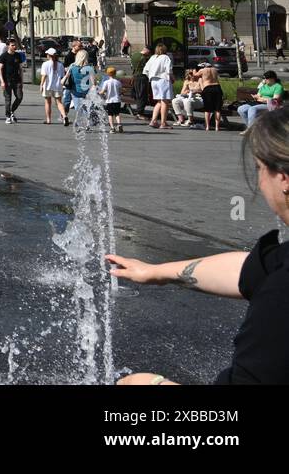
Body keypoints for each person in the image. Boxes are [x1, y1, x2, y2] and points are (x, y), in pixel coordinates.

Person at [109, 107, 289, 384]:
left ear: (283, 178)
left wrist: (152, 384)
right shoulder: (280, 268)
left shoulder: (280, 297)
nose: (260, 182)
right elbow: (249, 270)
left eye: (259, 169)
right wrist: (157, 272)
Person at [143, 43, 175, 129]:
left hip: (153, 80)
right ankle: (163, 123)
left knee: (159, 101)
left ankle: (153, 120)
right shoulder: (165, 57)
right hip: (163, 79)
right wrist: (173, 78)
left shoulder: (153, 57)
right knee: (165, 101)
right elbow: (168, 70)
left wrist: (151, 76)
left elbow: (145, 70)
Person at [65, 49, 95, 129]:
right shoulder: (89, 68)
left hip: (75, 91)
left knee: (78, 108)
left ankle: (79, 122)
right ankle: (87, 123)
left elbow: (67, 77)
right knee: (86, 107)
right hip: (86, 91)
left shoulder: (72, 66)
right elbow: (93, 83)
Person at [0, 39, 25, 124]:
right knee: (8, 99)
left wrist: (22, 81)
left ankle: (12, 111)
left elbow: (20, 69)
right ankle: (7, 116)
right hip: (7, 81)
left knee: (19, 97)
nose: (14, 46)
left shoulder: (18, 55)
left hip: (17, 80)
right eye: (12, 45)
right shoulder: (3, 56)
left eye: (15, 45)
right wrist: (2, 81)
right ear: (8, 46)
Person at [39, 47, 68, 125]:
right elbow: (62, 76)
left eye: (47, 54)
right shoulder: (60, 65)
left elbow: (44, 76)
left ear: (49, 55)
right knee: (59, 102)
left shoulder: (45, 64)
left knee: (48, 102)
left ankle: (48, 119)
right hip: (58, 86)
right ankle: (64, 116)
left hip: (47, 86)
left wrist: (41, 85)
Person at [197, 63, 225, 131]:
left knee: (207, 109)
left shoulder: (202, 70)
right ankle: (217, 127)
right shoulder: (215, 70)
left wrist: (195, 69)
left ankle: (207, 126)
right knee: (217, 109)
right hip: (217, 88)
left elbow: (195, 75)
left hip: (208, 88)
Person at [100, 67, 124, 134]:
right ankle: (119, 124)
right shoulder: (118, 82)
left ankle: (112, 128)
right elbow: (120, 90)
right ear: (115, 73)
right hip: (117, 101)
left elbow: (103, 91)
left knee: (110, 115)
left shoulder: (106, 82)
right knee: (117, 114)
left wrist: (99, 93)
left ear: (107, 74)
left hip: (109, 101)